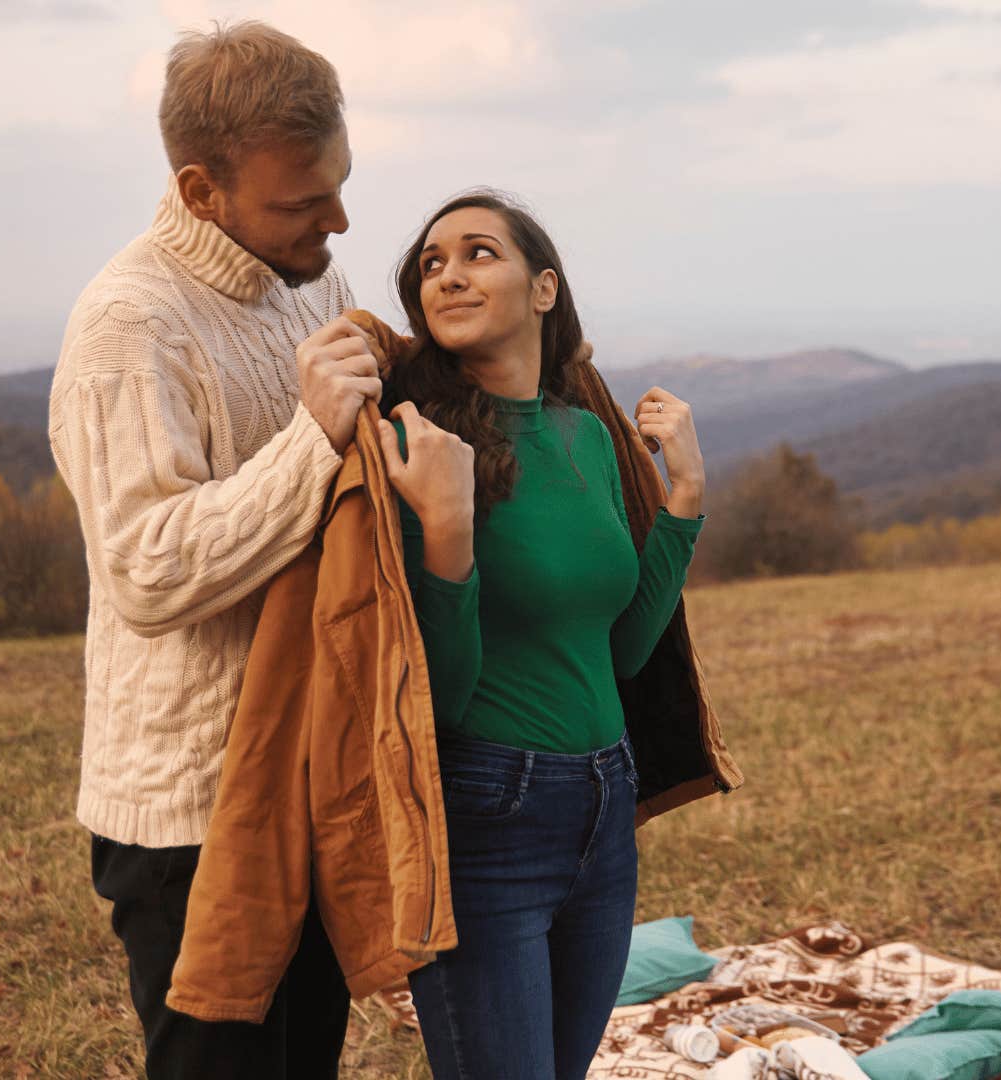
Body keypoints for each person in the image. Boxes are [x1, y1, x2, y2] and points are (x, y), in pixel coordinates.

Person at [45, 21, 386, 1078]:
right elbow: (146, 569)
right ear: (202, 191)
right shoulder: (126, 327)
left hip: (307, 771)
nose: (337, 218)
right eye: (301, 201)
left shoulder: (311, 278)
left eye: (338, 183)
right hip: (189, 814)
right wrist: (314, 439)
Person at [374, 189, 710, 1080]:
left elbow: (622, 655)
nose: (447, 273)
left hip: (606, 807)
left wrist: (683, 505)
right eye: (431, 264)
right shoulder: (419, 443)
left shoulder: (585, 437)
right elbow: (434, 702)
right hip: (489, 811)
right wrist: (445, 537)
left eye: (478, 253)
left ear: (544, 289)